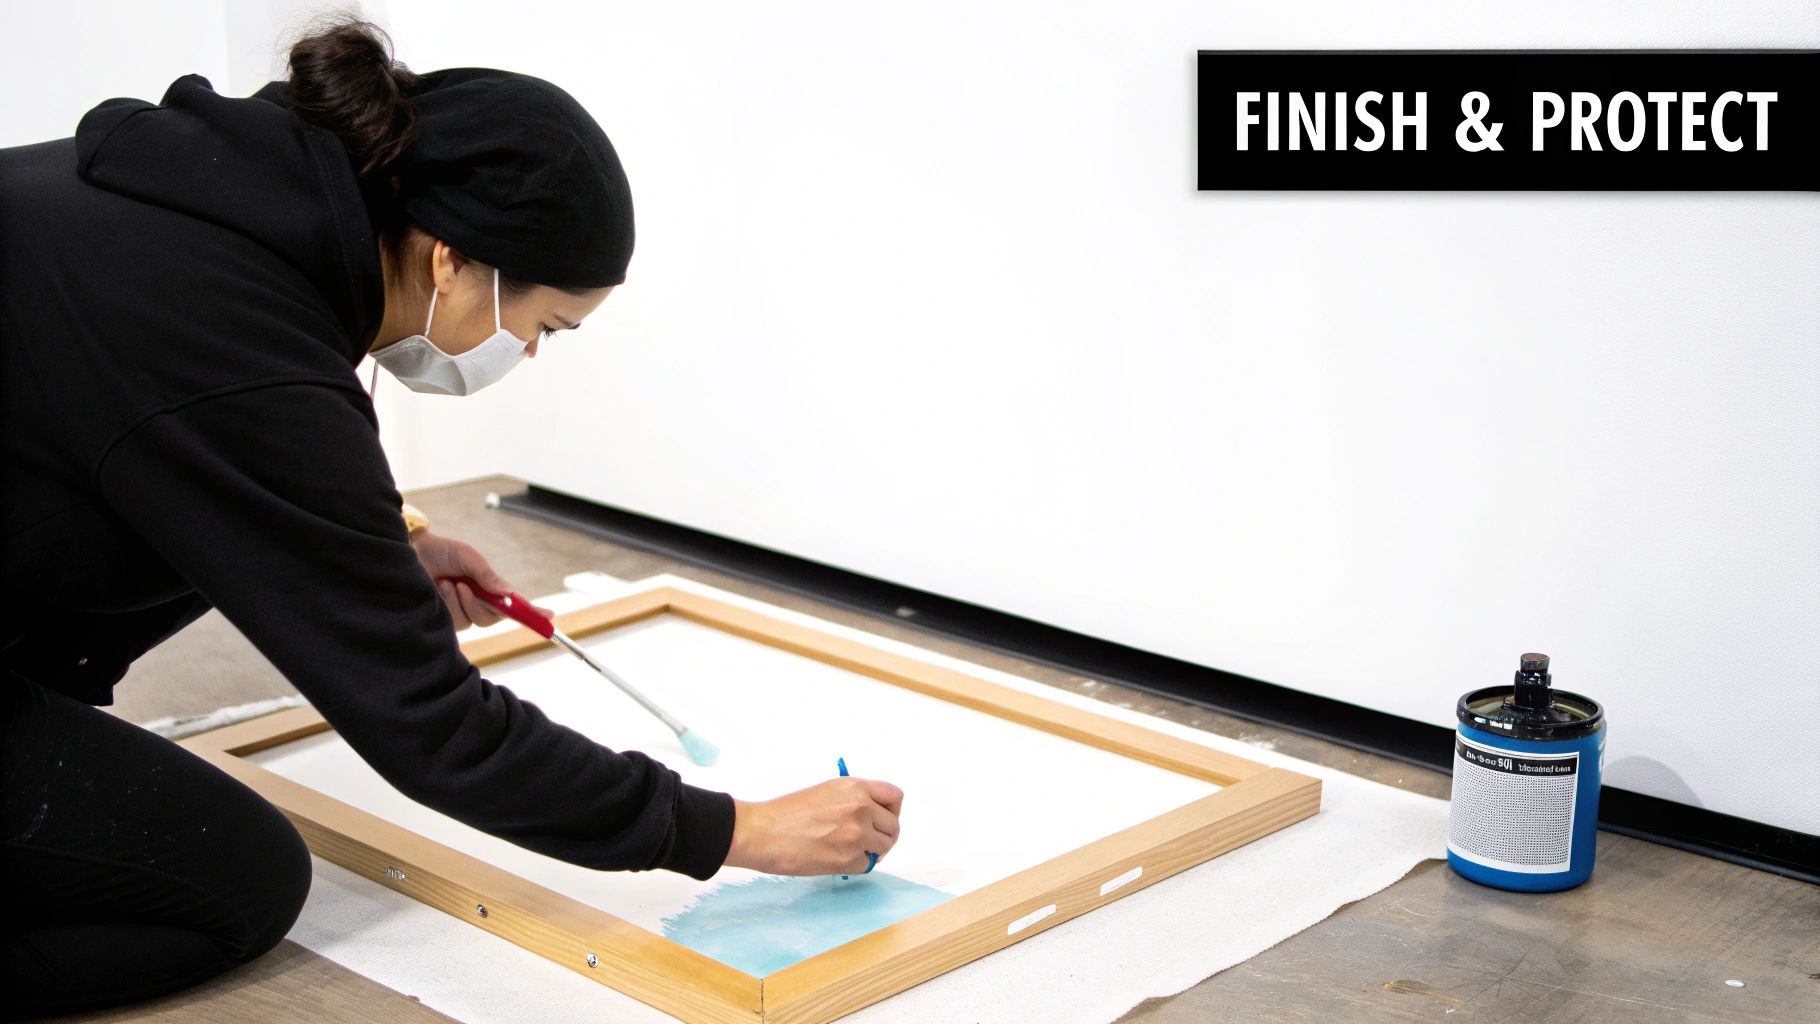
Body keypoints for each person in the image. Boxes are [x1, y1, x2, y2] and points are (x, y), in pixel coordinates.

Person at [0, 19, 902, 1015]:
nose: (526, 355)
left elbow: (173, 438)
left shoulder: (202, 210)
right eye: (542, 326)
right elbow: (432, 728)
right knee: (235, 884)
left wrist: (383, 539)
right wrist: (730, 829)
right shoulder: (235, 348)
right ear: (450, 261)